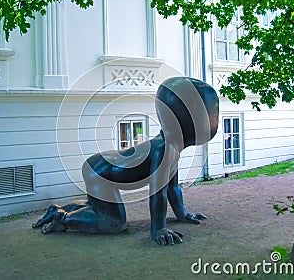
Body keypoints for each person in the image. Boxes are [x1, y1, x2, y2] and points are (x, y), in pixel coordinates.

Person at [32, 77, 219, 245]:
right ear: (189, 115)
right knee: (114, 223)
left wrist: (183, 215)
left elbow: (173, 187)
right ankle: (62, 218)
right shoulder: (164, 149)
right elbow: (157, 193)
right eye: (212, 111)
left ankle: (57, 209)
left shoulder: (171, 148)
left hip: (100, 166)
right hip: (99, 172)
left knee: (101, 207)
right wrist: (158, 229)